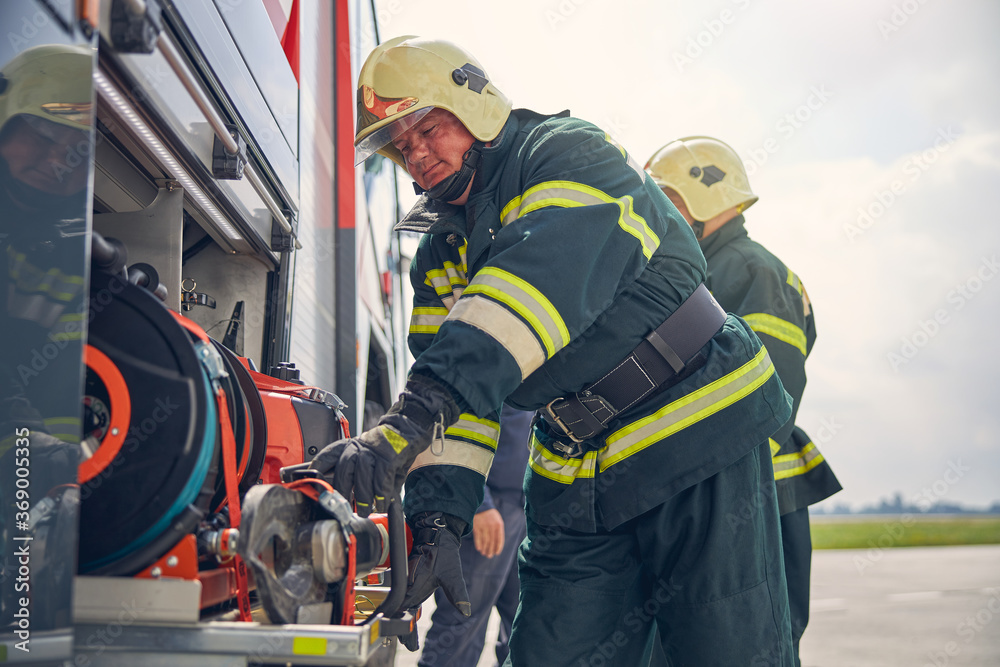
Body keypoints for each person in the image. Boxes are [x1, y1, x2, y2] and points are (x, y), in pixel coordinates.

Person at [312, 36, 796, 665]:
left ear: (475, 104)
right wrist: (438, 523)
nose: (418, 156)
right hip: (577, 470)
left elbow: (536, 285)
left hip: (693, 430)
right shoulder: (440, 253)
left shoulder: (567, 154)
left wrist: (406, 419)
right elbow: (462, 399)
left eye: (427, 129)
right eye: (403, 148)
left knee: (727, 650)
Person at [645, 136, 843, 666]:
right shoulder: (702, 267)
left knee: (755, 644)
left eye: (669, 199)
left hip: (749, 491)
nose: (661, 214)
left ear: (703, 194)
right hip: (716, 489)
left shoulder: (751, 270)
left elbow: (766, 396)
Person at [418, 404, 532, 667]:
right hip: (487, 511)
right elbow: (449, 433)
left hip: (526, 509)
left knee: (526, 621)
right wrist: (480, 504)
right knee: (461, 627)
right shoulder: (485, 366)